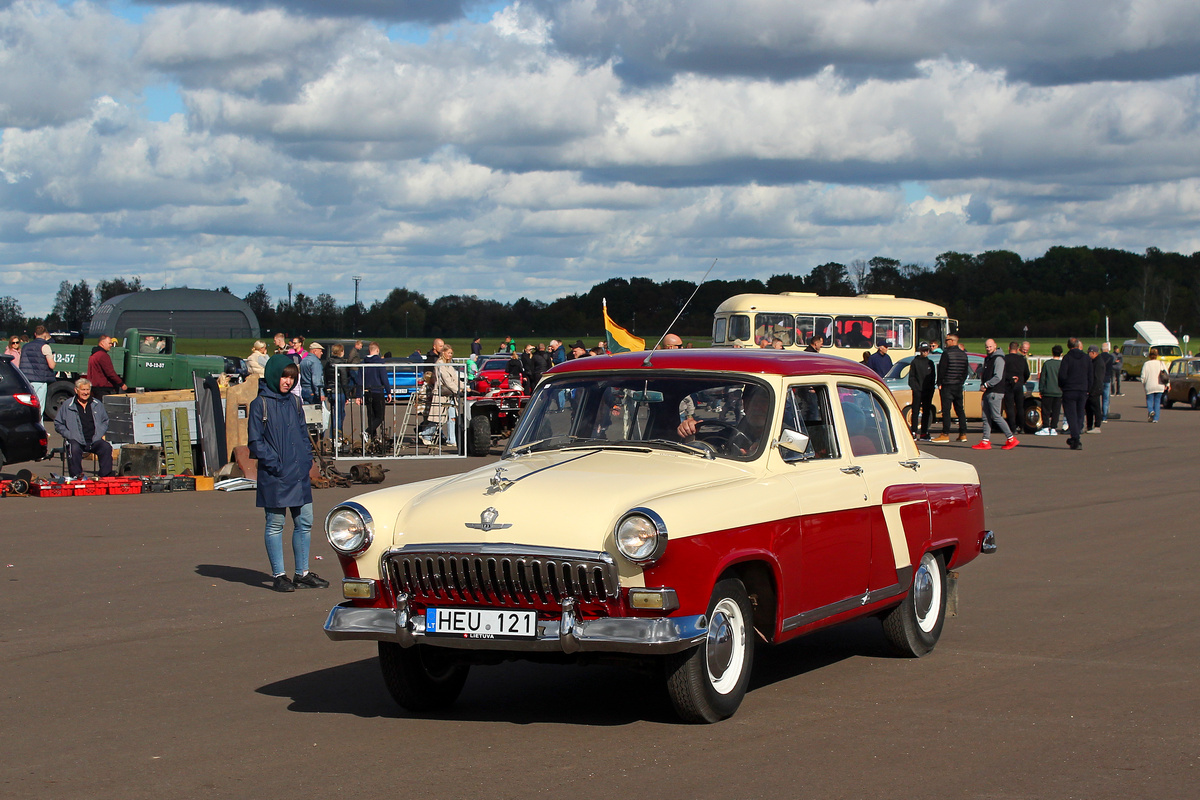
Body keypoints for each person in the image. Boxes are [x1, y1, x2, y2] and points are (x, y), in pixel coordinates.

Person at [247, 355, 328, 593]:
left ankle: (302, 573)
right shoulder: (259, 404)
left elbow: (304, 435)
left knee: (304, 522)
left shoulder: (294, 402)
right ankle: (279, 574)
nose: (288, 382)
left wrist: (306, 461)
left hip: (298, 472)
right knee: (275, 523)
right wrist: (276, 464)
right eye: (284, 376)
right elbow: (255, 442)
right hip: (275, 474)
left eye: (292, 377)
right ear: (273, 374)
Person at [677, 384, 769, 457]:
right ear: (744, 404)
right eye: (752, 402)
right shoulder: (728, 435)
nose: (756, 407)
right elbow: (705, 450)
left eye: (763, 402)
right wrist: (689, 432)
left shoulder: (781, 439)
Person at [53, 378, 115, 480]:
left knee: (106, 447)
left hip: (94, 439)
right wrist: (69, 435)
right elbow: (58, 423)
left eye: (87, 390)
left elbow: (105, 421)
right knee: (74, 448)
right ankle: (77, 477)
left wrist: (100, 433)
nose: (85, 393)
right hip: (76, 440)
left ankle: (105, 476)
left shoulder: (97, 404)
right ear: (76, 390)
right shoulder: (67, 405)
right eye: (83, 390)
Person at [973, 339, 1018, 450]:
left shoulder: (998, 359)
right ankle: (985, 440)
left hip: (995, 392)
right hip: (988, 391)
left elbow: (998, 376)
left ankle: (1011, 438)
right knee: (986, 417)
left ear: (995, 346)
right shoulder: (988, 358)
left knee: (996, 416)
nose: (988, 349)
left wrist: (987, 384)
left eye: (990, 346)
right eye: (987, 347)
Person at [420, 346, 462, 448]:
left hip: (451, 395)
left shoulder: (449, 365)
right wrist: (458, 390)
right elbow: (447, 381)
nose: (450, 355)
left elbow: (455, 379)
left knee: (452, 418)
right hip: (442, 395)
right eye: (448, 353)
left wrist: (466, 387)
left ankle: (452, 439)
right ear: (443, 353)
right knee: (438, 419)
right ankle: (425, 434)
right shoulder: (440, 365)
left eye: (451, 353)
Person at [1057, 337, 1089, 449]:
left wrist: (1063, 386)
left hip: (1070, 389)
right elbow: (1090, 374)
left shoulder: (1067, 358)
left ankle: (1075, 438)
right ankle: (1076, 436)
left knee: (1071, 415)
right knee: (1080, 413)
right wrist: (1088, 387)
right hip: (1082, 389)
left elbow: (1062, 375)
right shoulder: (1086, 357)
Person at [19, 326, 56, 411]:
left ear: (35, 334)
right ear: (44, 334)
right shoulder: (45, 346)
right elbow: (51, 365)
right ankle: (38, 424)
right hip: (40, 380)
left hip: (27, 380)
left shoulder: (25, 346)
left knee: (28, 406)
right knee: (39, 407)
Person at [358, 342, 386, 440]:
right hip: (378, 391)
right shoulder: (380, 362)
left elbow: (360, 380)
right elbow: (384, 378)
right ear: (377, 350)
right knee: (380, 416)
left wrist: (359, 394)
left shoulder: (363, 363)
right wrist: (389, 391)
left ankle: (373, 437)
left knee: (371, 415)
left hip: (367, 391)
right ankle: (368, 432)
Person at [908, 342, 935, 441]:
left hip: (928, 391)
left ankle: (924, 432)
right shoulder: (915, 362)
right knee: (915, 411)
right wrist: (915, 388)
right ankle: (914, 431)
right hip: (918, 390)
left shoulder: (930, 363)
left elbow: (932, 378)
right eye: (923, 350)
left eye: (927, 350)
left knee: (926, 411)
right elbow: (912, 377)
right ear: (920, 350)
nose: (925, 352)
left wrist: (931, 388)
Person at [86, 335, 127, 399]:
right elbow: (110, 373)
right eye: (109, 343)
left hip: (94, 386)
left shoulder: (94, 355)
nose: (111, 345)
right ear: (102, 343)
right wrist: (121, 384)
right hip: (103, 388)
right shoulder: (103, 355)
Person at [1035, 345, 1063, 436]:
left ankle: (1046, 427)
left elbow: (1043, 378)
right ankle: (1054, 427)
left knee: (1046, 410)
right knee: (1056, 411)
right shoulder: (1062, 364)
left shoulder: (1047, 364)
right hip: (1058, 391)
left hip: (1047, 390)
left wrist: (1041, 389)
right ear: (1061, 353)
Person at [1003, 341, 1029, 434]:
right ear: (1018, 349)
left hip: (1008, 384)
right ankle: (1021, 426)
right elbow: (1027, 373)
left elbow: (1002, 372)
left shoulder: (1004, 359)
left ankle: (1012, 427)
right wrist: (1022, 381)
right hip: (1019, 385)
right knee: (1020, 407)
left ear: (1009, 348)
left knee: (1009, 407)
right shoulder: (1022, 359)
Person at [325, 343, 349, 439]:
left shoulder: (328, 363)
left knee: (335, 414)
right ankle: (336, 436)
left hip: (331, 390)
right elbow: (344, 380)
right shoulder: (341, 364)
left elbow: (326, 377)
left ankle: (334, 434)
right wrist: (347, 395)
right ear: (341, 352)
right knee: (339, 415)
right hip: (339, 391)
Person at [1140, 348, 1169, 423]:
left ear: (1149, 356)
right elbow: (1166, 375)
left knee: (1149, 400)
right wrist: (1168, 384)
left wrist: (1144, 383)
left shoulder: (1146, 364)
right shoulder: (1161, 363)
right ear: (1157, 356)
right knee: (1157, 402)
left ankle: (1151, 411)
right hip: (1159, 385)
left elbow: (1143, 377)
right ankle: (1156, 419)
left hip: (1149, 386)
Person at [1085, 345, 1105, 433]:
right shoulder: (1093, 361)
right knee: (1088, 408)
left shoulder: (1099, 363)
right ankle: (1089, 426)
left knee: (1096, 407)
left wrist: (1093, 390)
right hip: (1090, 389)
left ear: (1093, 353)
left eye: (1089, 353)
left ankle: (1097, 426)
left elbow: (1097, 378)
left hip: (1095, 389)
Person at [1099, 342, 1116, 422]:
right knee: (1106, 399)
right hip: (1107, 378)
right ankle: (1104, 416)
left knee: (1097, 398)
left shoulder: (1099, 357)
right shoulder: (1111, 357)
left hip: (1099, 379)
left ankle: (1098, 414)